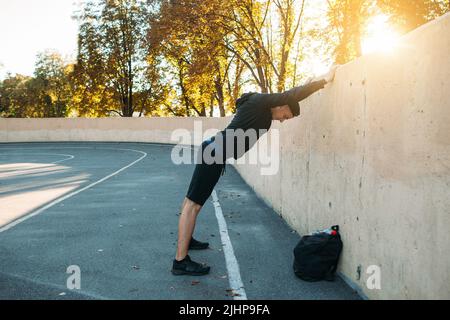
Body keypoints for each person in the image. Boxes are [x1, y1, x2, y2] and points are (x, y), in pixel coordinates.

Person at [171, 66, 339, 276]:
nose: (282, 120)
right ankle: (180, 261)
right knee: (193, 205)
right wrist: (322, 82)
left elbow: (290, 96)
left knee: (192, 202)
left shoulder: (263, 111)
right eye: (285, 116)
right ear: (281, 104)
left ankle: (188, 239)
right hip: (213, 154)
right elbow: (291, 94)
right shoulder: (260, 103)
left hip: (213, 152)